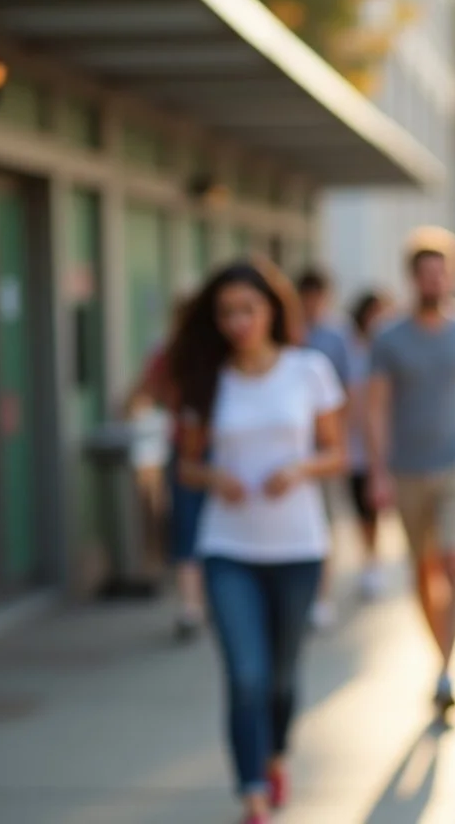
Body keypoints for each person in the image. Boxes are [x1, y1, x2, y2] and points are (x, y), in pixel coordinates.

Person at [170, 260, 347, 824]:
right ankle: (251, 791)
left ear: (272, 308)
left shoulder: (309, 370)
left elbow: (339, 452)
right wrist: (214, 476)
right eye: (226, 313)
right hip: (228, 548)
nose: (238, 321)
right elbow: (186, 467)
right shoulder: (209, 377)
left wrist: (299, 470)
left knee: (282, 676)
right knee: (245, 675)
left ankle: (274, 754)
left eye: (248, 309)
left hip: (297, 548)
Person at [366, 227, 455, 714]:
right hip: (406, 470)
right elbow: (375, 407)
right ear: (413, 278)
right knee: (421, 571)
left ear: (451, 276)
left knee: (452, 563)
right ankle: (436, 653)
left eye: (441, 272)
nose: (434, 280)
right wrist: (378, 471)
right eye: (425, 273)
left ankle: (447, 668)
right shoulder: (389, 337)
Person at [126, 295, 205, 641]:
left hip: (200, 452)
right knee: (197, 528)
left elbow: (139, 396)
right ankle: (196, 604)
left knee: (189, 529)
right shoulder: (178, 354)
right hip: (194, 452)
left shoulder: (171, 353)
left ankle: (191, 606)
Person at [296, 267, 351, 630]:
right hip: (292, 447)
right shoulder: (288, 333)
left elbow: (346, 390)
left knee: (323, 523)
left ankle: (322, 596)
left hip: (322, 447)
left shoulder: (335, 337)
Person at [345, 290, 394, 599]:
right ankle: (369, 557)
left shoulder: (392, 345)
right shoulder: (350, 348)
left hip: (387, 443)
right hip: (355, 443)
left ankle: (374, 559)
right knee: (361, 506)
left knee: (375, 507)